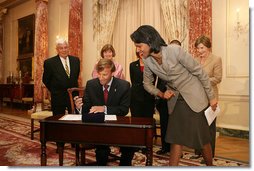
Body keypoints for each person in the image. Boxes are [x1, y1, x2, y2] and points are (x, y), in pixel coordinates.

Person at [130, 25, 218, 166]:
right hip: (176, 100)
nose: (137, 49)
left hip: (194, 96)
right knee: (175, 138)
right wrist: (161, 93)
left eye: (139, 45)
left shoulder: (174, 51)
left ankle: (210, 166)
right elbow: (147, 84)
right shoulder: (148, 61)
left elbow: (199, 72)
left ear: (149, 40)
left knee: (202, 138)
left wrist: (211, 97)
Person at [75, 58, 134, 166]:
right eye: (99, 74)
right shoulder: (91, 84)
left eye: (104, 75)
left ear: (112, 73)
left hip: (117, 126)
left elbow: (124, 109)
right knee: (102, 149)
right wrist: (79, 107)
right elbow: (87, 108)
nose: (101, 78)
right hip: (98, 127)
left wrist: (105, 109)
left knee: (130, 144)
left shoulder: (124, 85)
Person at [192, 35, 222, 160]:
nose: (199, 51)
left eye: (202, 48)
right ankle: (198, 152)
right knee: (197, 126)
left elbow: (217, 78)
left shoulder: (216, 59)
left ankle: (209, 156)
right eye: (198, 48)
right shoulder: (195, 59)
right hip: (197, 97)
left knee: (209, 127)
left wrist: (203, 80)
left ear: (208, 47)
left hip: (211, 98)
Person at [155, 39, 182, 155]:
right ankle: (165, 147)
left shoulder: (183, 63)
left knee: (177, 126)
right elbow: (158, 81)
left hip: (177, 99)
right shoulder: (161, 62)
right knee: (164, 124)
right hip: (163, 99)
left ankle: (177, 150)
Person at [129, 50, 155, 118]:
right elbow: (133, 81)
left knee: (148, 120)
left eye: (143, 51)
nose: (142, 53)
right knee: (136, 120)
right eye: (140, 51)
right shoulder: (132, 65)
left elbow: (153, 81)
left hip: (149, 97)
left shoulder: (153, 65)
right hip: (135, 98)